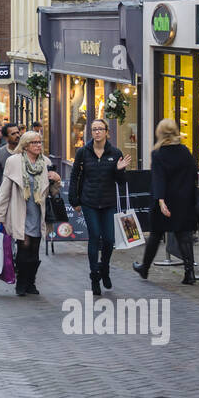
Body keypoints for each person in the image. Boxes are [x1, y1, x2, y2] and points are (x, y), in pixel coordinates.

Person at [0, 130, 62, 297]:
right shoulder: (14, 162)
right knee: (24, 248)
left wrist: (57, 180)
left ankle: (31, 282)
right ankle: (21, 283)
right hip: (20, 212)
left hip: (39, 213)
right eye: (34, 142)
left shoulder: (46, 162)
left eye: (40, 142)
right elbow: (5, 190)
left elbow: (52, 193)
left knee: (35, 250)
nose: (38, 145)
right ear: (25, 145)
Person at [133, 118, 199, 285]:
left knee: (156, 235)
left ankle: (145, 268)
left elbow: (158, 179)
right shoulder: (185, 151)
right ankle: (189, 273)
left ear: (159, 133)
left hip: (163, 202)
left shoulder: (158, 153)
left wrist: (161, 201)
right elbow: (193, 174)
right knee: (184, 236)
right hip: (183, 201)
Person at [69, 117, 129, 296]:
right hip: (89, 202)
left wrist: (119, 170)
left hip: (108, 202)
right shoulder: (83, 152)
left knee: (109, 240)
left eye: (100, 129)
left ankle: (105, 268)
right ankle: (94, 276)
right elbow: (75, 176)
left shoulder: (115, 153)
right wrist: (75, 200)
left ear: (106, 132)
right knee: (95, 236)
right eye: (94, 129)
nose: (96, 132)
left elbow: (122, 183)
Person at [0, 123, 23, 203]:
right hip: (7, 195)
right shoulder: (1, 153)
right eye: (13, 134)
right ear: (6, 137)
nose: (17, 135)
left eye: (18, 132)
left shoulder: (26, 151)